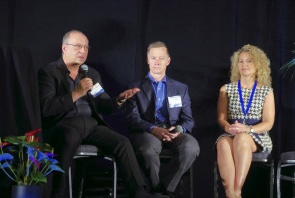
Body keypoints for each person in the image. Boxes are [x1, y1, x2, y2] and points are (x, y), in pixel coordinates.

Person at [38, 30, 168, 198]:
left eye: (86, 47)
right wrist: (76, 93)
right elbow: (47, 108)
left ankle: (139, 192)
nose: (82, 51)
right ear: (64, 48)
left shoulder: (91, 74)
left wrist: (118, 101)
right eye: (78, 46)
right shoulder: (48, 72)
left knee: (122, 142)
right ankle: (59, 193)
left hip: (91, 126)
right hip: (64, 125)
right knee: (69, 136)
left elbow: (104, 104)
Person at [124, 41, 200, 198]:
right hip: (147, 131)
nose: (157, 62)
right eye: (153, 58)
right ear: (147, 60)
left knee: (191, 147)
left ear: (168, 61)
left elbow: (188, 119)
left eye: (161, 58)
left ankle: (162, 191)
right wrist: (153, 129)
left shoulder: (181, 88)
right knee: (147, 150)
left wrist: (179, 130)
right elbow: (132, 118)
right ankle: (160, 191)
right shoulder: (134, 86)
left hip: (173, 131)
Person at [216, 44, 275, 198]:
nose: (244, 65)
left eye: (249, 61)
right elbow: (221, 119)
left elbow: (268, 123)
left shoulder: (266, 91)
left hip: (257, 135)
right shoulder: (226, 89)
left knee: (242, 138)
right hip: (232, 131)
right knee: (222, 142)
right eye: (241, 61)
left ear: (258, 65)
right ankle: (231, 193)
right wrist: (229, 129)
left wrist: (247, 130)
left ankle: (236, 191)